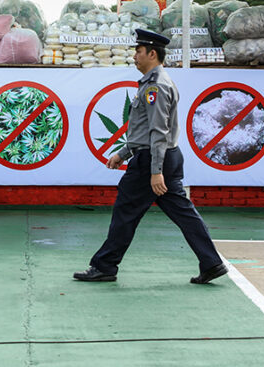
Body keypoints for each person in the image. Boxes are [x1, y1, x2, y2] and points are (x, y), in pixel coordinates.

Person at [73, 29, 227, 284]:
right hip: (165, 156)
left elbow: (158, 131)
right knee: (183, 213)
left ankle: (105, 265)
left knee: (126, 210)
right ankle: (212, 263)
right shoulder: (155, 83)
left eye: (138, 51)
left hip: (153, 161)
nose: (135, 56)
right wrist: (124, 153)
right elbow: (146, 131)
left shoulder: (155, 86)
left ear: (152, 54)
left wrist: (155, 171)